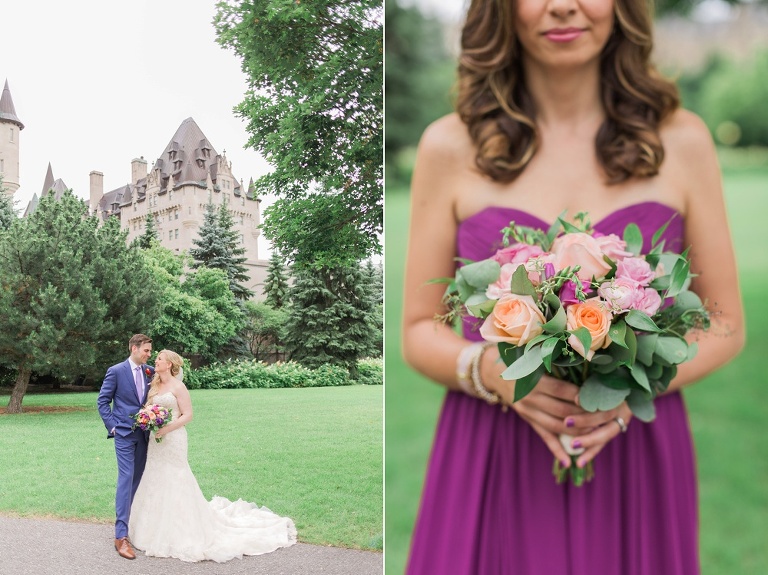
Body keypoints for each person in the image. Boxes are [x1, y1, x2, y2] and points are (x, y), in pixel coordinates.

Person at [400, 0, 745, 572]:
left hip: (633, 449)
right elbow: (418, 329)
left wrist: (622, 393)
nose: (563, 6)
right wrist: (493, 373)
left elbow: (726, 323)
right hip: (493, 443)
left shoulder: (682, 140)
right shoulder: (449, 146)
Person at [128, 349, 297, 562]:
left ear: (169, 364)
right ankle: (150, 529)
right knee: (155, 476)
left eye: (160, 358)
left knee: (176, 477)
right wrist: (148, 419)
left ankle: (181, 529)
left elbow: (188, 415)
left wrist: (167, 428)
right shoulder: (153, 385)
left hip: (173, 439)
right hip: (156, 440)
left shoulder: (178, 387)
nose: (156, 360)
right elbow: (147, 409)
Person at [97, 333, 154, 560]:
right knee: (126, 477)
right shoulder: (116, 371)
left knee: (137, 480)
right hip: (123, 434)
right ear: (134, 348)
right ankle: (120, 536)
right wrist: (113, 427)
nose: (149, 354)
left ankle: (134, 525)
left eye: (150, 351)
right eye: (146, 350)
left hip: (145, 435)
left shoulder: (150, 372)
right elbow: (103, 401)